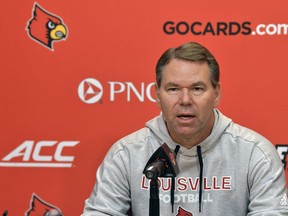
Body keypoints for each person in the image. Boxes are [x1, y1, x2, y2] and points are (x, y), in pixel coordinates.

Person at [82, 42, 288, 215]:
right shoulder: (126, 154)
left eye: (197, 89)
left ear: (216, 94)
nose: (185, 100)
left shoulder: (255, 154)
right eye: (173, 89)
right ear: (157, 94)